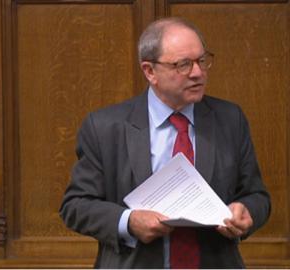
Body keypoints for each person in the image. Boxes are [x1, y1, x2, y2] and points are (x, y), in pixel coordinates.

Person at [59, 17, 271, 268]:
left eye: (202, 61)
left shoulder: (229, 119)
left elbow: (257, 195)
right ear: (150, 71)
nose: (197, 73)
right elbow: (76, 206)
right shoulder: (104, 127)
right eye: (183, 65)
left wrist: (246, 212)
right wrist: (129, 221)